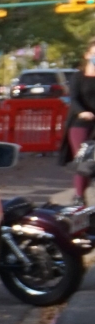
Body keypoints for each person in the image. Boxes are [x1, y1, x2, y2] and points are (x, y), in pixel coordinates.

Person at [70, 47, 95, 205]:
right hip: (81, 124)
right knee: (84, 160)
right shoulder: (78, 77)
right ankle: (79, 197)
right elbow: (73, 99)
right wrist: (82, 112)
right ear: (87, 54)